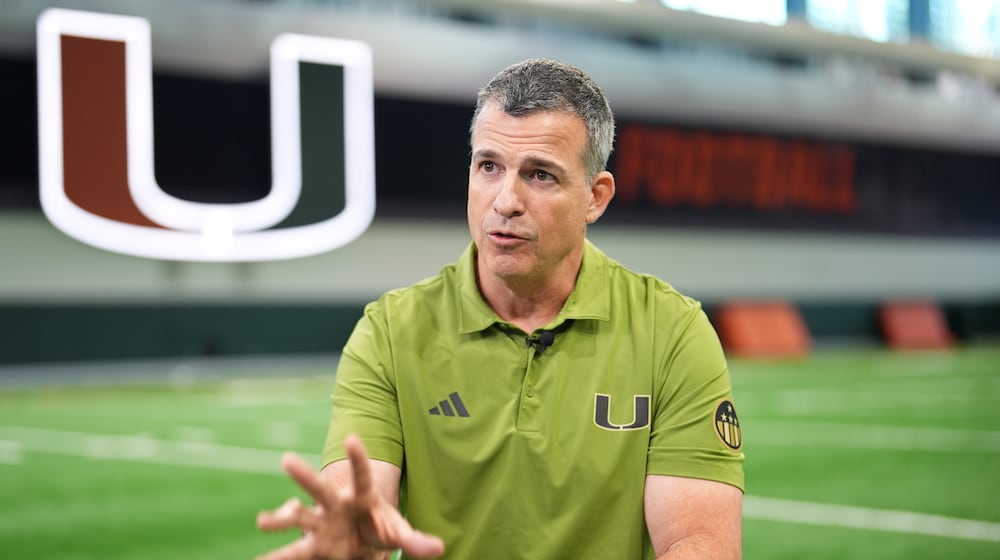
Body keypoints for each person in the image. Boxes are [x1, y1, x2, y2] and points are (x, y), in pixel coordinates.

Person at [256, 58, 744, 560]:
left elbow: (698, 545)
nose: (505, 201)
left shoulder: (672, 331)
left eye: (540, 175)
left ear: (595, 198)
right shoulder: (389, 332)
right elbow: (362, 505)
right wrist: (353, 545)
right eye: (489, 166)